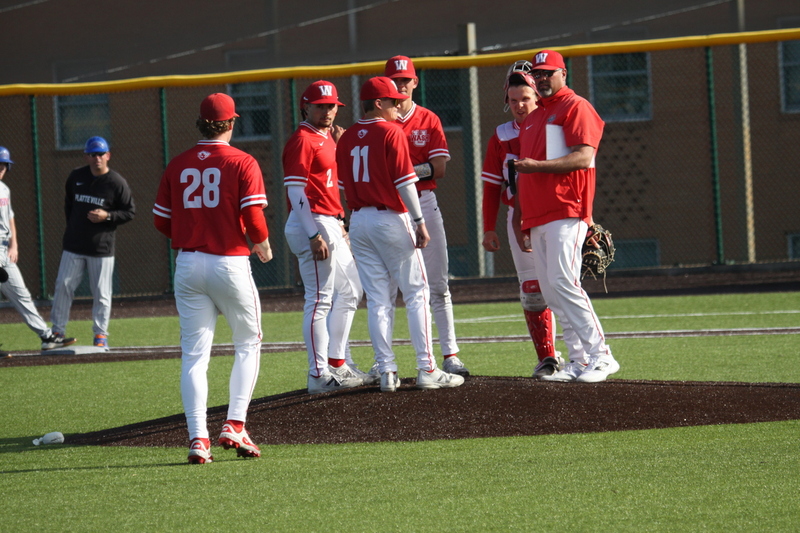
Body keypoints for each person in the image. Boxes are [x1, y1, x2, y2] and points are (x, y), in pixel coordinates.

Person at [153, 92, 273, 464]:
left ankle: (198, 439)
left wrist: (188, 232)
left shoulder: (178, 163)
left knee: (194, 356)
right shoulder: (242, 161)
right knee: (248, 342)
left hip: (188, 264)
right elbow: (253, 217)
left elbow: (160, 220)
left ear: (200, 123)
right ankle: (235, 424)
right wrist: (262, 243)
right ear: (232, 122)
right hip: (229, 262)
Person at [335, 76, 464, 392]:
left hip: (359, 219)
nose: (397, 106)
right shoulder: (391, 131)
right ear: (378, 103)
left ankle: (387, 371)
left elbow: (341, 186)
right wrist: (419, 221)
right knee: (417, 291)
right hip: (390, 217)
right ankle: (427, 368)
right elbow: (405, 182)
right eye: (392, 102)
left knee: (378, 299)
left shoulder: (347, 137)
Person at [513, 50, 620, 383]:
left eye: (548, 72)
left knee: (564, 283)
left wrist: (537, 166)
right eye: (538, 74)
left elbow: (584, 157)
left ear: (563, 73)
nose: (542, 78)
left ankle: (602, 356)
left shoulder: (576, 107)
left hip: (566, 209)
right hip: (539, 215)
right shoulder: (534, 117)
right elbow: (526, 177)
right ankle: (578, 359)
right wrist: (524, 220)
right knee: (551, 291)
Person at [283, 80, 374, 394]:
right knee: (319, 299)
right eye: (320, 106)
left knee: (351, 290)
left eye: (331, 105)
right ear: (306, 107)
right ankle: (318, 374)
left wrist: (339, 223)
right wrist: (313, 234)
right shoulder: (302, 139)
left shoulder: (328, 137)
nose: (327, 111)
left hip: (330, 221)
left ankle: (337, 362)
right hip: (312, 222)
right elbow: (295, 191)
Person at [381, 56, 468, 377]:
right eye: (395, 80)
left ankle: (450, 354)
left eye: (406, 80)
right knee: (388, 288)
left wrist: (402, 173)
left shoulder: (428, 118)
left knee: (438, 284)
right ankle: (384, 362)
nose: (401, 85)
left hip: (424, 202)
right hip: (391, 209)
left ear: (415, 82)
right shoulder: (380, 121)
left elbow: (439, 168)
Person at [480, 62, 563, 379]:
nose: (519, 106)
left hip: (554, 214)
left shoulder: (552, 125)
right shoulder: (501, 136)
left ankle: (584, 355)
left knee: (561, 284)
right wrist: (489, 227)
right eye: (513, 100)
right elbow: (492, 186)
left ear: (537, 97)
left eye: (525, 99)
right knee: (531, 289)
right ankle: (548, 357)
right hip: (519, 215)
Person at [49, 136, 135, 350]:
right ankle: (57, 331)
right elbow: (69, 205)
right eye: (92, 154)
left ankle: (100, 334)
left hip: (101, 248)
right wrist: (74, 228)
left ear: (108, 155)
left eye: (101, 154)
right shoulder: (76, 176)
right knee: (63, 286)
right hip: (74, 246)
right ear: (86, 156)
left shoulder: (116, 182)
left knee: (102, 293)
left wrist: (107, 216)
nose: (97, 158)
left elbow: (129, 212)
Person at [0, 146, 76, 352]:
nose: (1, 168)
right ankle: (46, 335)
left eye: (4, 165)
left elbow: (10, 217)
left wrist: (14, 244)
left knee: (21, 294)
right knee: (20, 294)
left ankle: (46, 336)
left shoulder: (4, 189)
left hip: (4, 249)